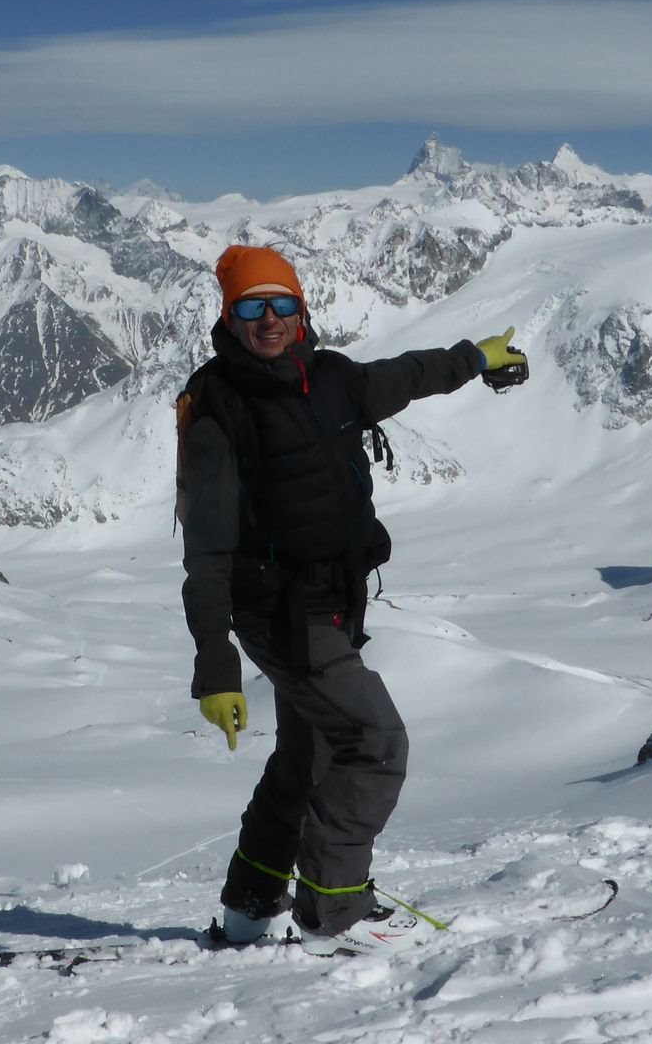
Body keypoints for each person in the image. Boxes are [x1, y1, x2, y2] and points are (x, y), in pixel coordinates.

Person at [177, 244, 523, 957]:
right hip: (281, 614)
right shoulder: (220, 411)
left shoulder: (330, 378)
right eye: (250, 307)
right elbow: (206, 551)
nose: (267, 319)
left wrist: (476, 359)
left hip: (334, 601)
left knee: (309, 756)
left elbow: (408, 376)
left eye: (280, 304)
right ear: (228, 316)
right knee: (372, 742)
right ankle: (334, 911)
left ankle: (250, 905)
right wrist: (215, 666)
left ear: (301, 311)